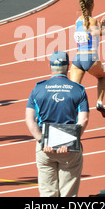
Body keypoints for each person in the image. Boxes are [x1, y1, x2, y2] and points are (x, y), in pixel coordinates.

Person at [25, 51, 89, 197]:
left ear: (50, 67)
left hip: (44, 148)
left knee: (47, 193)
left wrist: (41, 140)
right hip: (69, 149)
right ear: (68, 67)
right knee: (68, 193)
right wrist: (70, 142)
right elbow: (83, 120)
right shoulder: (78, 90)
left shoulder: (38, 89)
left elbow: (29, 119)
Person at [70, 0, 105, 118]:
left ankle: (72, 109)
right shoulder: (93, 21)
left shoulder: (77, 22)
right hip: (90, 58)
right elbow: (94, 33)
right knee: (101, 77)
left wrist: (101, 26)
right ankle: (99, 102)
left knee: (74, 89)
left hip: (77, 59)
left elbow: (89, 34)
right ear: (92, 4)